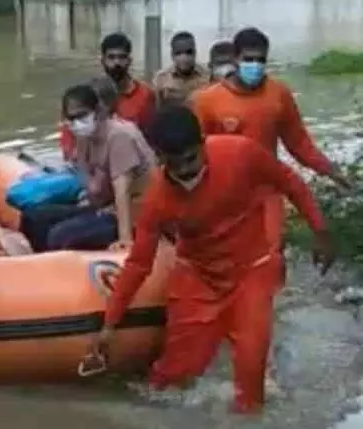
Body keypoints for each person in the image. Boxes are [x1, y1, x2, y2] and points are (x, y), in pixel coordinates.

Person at [87, 105, 334, 414]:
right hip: (198, 278)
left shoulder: (241, 153)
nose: (187, 170)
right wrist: (110, 324)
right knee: (171, 378)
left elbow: (290, 183)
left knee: (250, 372)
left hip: (251, 272)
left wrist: (320, 231)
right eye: (175, 165)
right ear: (160, 159)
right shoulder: (157, 199)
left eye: (191, 158)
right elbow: (138, 263)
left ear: (203, 142)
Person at [191, 26, 351, 287]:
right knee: (225, 263)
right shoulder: (207, 101)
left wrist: (331, 171)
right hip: (223, 194)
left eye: (261, 60)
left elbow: (299, 144)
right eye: (249, 59)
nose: (255, 65)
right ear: (235, 59)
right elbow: (196, 155)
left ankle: (271, 310)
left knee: (271, 257)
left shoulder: (279, 95)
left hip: (267, 192)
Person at [22, 83, 156, 251]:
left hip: (135, 212)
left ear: (98, 111)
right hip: (105, 206)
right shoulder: (84, 138)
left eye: (82, 116)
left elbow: (123, 191)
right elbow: (92, 186)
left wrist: (125, 239)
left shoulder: (120, 136)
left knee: (59, 236)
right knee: (33, 218)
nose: (77, 123)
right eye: (71, 119)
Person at [59, 32, 156, 162]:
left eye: (122, 57)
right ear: (103, 60)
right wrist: (74, 154)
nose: (117, 63)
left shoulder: (145, 94)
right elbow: (69, 135)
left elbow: (152, 137)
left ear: (129, 61)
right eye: (111, 57)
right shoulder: (86, 94)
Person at [153, 31, 210, 106]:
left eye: (189, 52)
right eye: (178, 53)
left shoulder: (207, 76)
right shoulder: (162, 78)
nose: (184, 57)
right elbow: (157, 108)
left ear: (195, 53)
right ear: (172, 55)